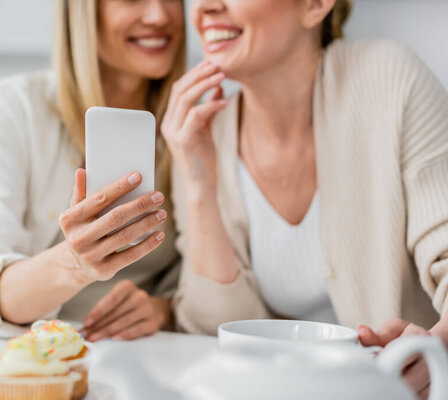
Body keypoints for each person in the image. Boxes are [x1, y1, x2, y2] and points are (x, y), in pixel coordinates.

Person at [162, 0, 448, 398]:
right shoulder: (203, 135)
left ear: (315, 5)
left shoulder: (390, 79)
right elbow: (214, 332)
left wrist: (440, 346)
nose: (205, 7)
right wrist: (199, 188)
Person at [0, 0, 186, 342]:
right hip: (42, 354)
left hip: (151, 357)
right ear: (82, 12)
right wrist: (74, 263)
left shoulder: (193, 121)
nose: (160, 15)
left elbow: (205, 284)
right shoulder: (14, 108)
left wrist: (164, 310)